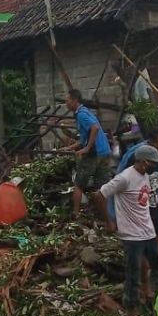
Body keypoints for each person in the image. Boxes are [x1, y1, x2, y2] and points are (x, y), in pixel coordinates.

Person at [99, 144, 158, 316]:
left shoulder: (144, 176)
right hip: (131, 234)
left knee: (155, 264)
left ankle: (151, 294)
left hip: (147, 231)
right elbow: (100, 195)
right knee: (133, 272)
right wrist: (109, 220)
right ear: (144, 162)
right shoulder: (125, 178)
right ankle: (132, 313)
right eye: (152, 162)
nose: (153, 166)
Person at [59, 89, 112, 219]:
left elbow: (95, 128)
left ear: (75, 100)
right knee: (102, 187)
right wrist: (69, 148)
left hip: (94, 154)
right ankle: (107, 216)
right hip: (104, 151)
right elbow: (83, 139)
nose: (66, 104)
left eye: (68, 101)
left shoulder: (81, 114)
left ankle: (75, 214)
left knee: (78, 185)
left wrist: (87, 149)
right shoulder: (85, 112)